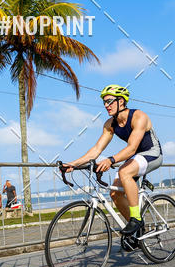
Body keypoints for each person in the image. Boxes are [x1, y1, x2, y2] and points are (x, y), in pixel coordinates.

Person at [64, 84, 163, 240]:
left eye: (109, 101)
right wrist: (73, 164)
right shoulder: (110, 124)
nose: (106, 105)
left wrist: (111, 160)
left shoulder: (139, 116)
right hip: (135, 157)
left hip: (152, 153)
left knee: (124, 172)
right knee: (115, 193)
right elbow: (96, 149)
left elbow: (132, 148)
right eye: (104, 102)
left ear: (121, 101)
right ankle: (138, 229)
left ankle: (136, 219)